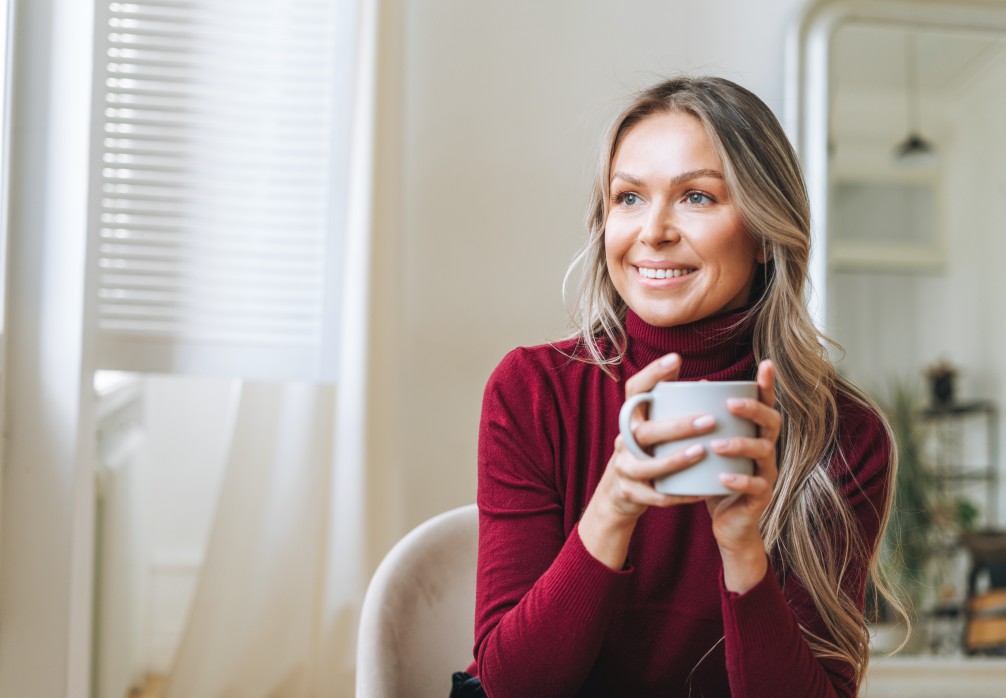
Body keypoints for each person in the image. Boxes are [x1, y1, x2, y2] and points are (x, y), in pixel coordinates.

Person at [459, 76, 898, 697]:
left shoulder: (843, 433)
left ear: (768, 233)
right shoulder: (532, 392)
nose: (653, 231)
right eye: (629, 198)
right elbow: (512, 686)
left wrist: (743, 550)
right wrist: (613, 506)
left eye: (696, 197)